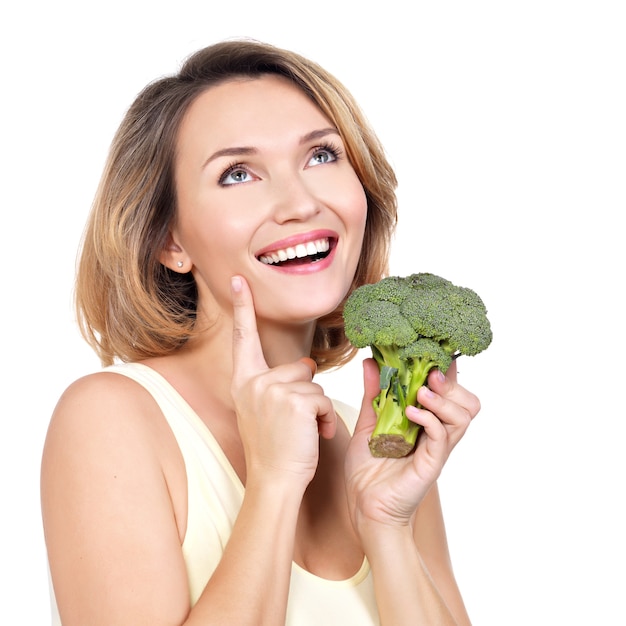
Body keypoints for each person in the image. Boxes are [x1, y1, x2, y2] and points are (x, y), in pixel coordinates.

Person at [40, 39, 480, 626]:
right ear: (171, 241)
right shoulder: (110, 418)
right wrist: (272, 485)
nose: (299, 202)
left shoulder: (373, 437)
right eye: (238, 173)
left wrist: (387, 523)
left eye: (321, 156)